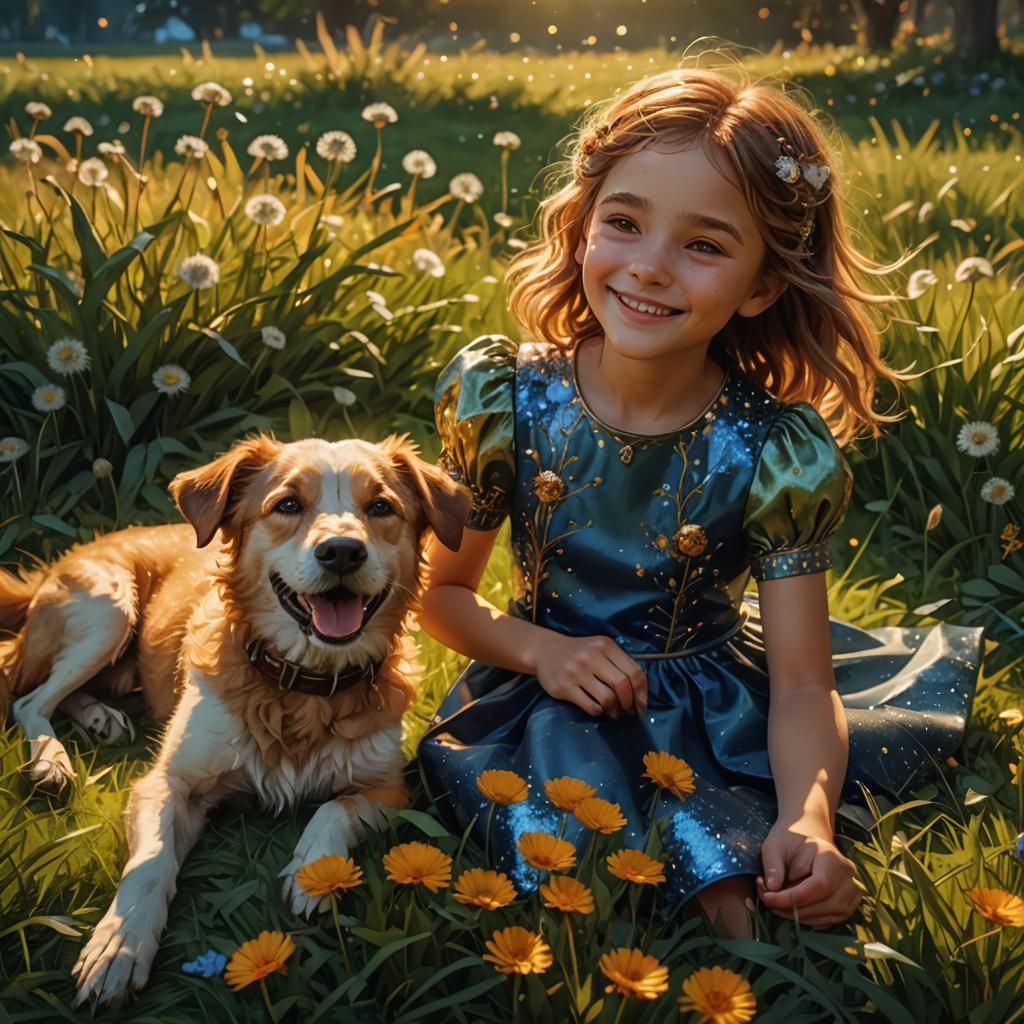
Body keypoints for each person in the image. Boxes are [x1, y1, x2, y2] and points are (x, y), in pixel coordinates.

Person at [413, 66, 982, 938]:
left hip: (715, 699)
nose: (648, 267)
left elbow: (800, 682)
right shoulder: (506, 399)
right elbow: (442, 597)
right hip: (545, 692)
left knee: (738, 890)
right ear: (581, 227)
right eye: (625, 223)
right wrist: (541, 653)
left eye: (704, 245)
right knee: (581, 861)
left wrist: (810, 818)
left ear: (761, 285)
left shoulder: (770, 449)